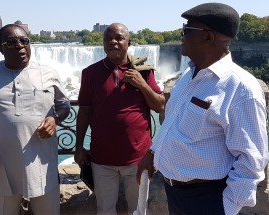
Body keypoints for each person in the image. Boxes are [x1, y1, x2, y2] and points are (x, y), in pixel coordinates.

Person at [137, 3, 269, 215]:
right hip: (176, 194)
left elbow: (252, 161)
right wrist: (153, 154)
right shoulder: (188, 75)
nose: (181, 35)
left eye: (186, 30)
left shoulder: (241, 89)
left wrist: (224, 208)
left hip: (207, 200)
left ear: (207, 37)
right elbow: (173, 123)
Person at [0, 24, 70, 215]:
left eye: (24, 41)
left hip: (42, 162)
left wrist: (55, 120)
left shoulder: (48, 73)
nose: (20, 46)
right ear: (0, 48)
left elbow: (64, 105)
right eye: (12, 42)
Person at [74, 23, 165, 215]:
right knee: (105, 210)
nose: (113, 42)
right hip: (102, 159)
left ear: (129, 42)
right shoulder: (90, 73)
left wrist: (142, 84)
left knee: (138, 210)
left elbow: (160, 106)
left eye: (119, 38)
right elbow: (84, 112)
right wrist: (79, 147)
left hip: (138, 158)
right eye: (108, 38)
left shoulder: (144, 71)